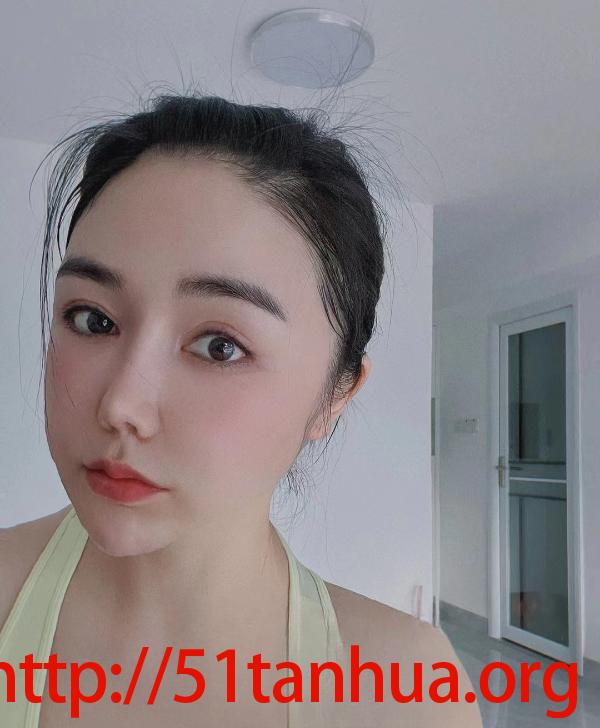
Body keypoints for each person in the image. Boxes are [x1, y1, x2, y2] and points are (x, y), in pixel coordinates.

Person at [0, 93, 483, 727]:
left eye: (220, 346)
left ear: (334, 396)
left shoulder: (405, 692)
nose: (121, 406)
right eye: (93, 319)